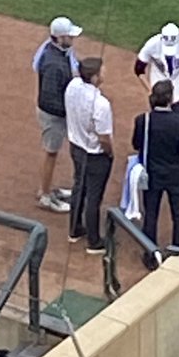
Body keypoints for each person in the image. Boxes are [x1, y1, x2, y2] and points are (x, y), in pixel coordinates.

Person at [132, 79, 179, 250]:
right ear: (170, 99)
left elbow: (136, 144)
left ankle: (149, 252)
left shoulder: (143, 120)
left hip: (152, 174)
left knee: (151, 214)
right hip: (177, 175)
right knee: (178, 214)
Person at [32, 16, 82, 213]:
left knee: (52, 152)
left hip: (56, 112)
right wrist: (70, 111)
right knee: (51, 152)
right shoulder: (54, 64)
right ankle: (44, 195)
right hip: (52, 115)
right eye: (69, 36)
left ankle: (46, 190)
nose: (72, 39)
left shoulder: (58, 52)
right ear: (60, 38)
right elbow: (50, 99)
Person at [64, 57, 114, 254]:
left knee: (79, 187)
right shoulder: (101, 104)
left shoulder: (73, 86)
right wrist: (110, 153)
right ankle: (94, 241)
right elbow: (104, 138)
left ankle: (74, 229)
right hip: (95, 155)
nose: (105, 73)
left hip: (76, 147)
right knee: (94, 196)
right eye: (102, 71)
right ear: (94, 78)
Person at [134, 22, 179, 112]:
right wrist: (150, 90)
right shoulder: (152, 44)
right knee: (158, 120)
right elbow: (139, 69)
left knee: (178, 119)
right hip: (158, 90)